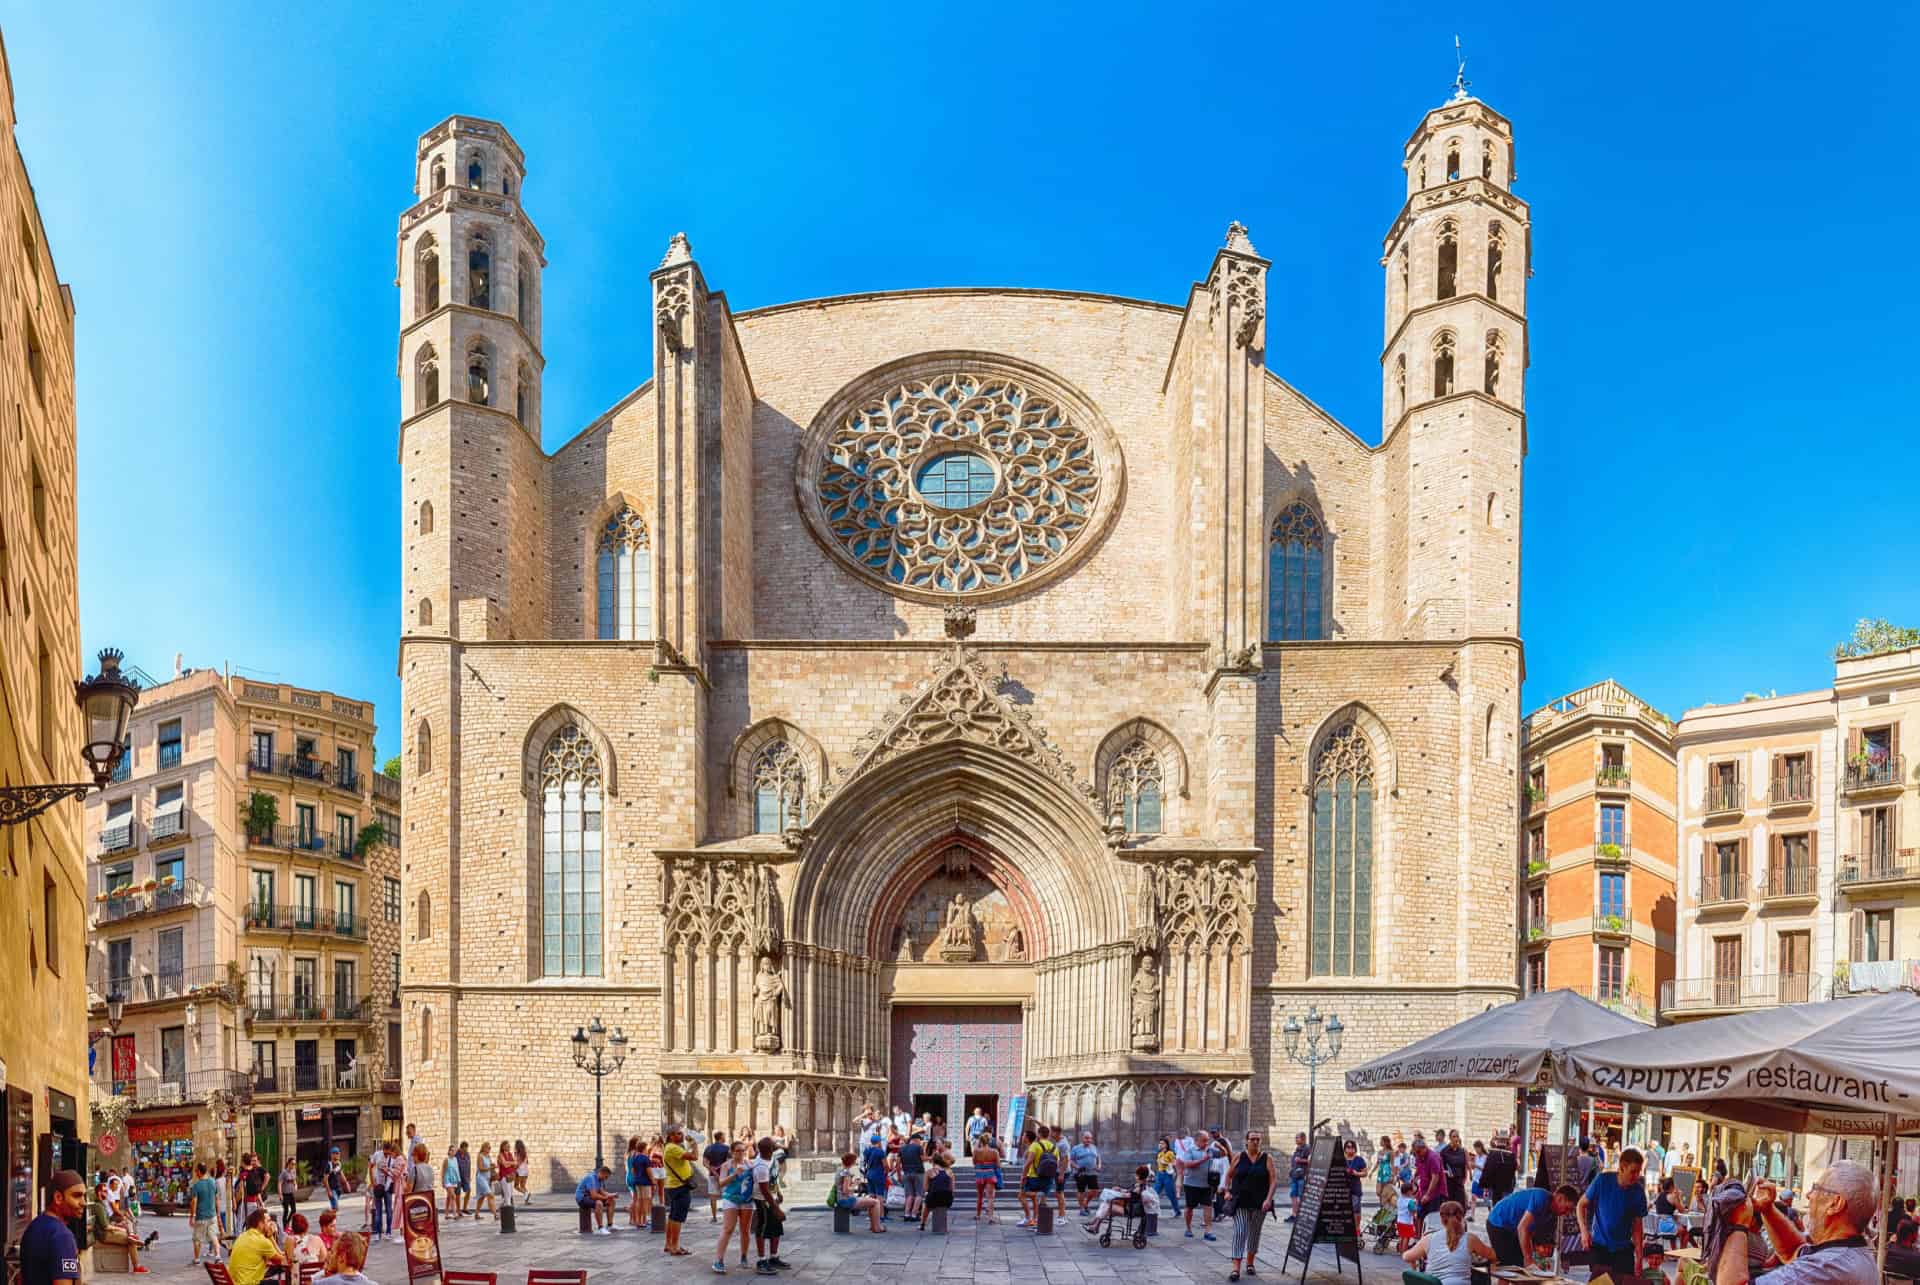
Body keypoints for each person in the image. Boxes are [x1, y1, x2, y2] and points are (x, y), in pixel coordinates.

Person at [1747, 1163, 1878, 1285]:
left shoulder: (1828, 1266)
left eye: (1816, 1188)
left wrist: (1736, 1225)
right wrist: (1768, 1209)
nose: (1809, 1195)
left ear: (1835, 1203)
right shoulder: (1853, 1254)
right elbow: (1792, 1252)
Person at [1578, 1145, 1648, 1278]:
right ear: (1622, 1167)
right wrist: (1584, 1231)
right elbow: (1581, 1205)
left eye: (1639, 1172)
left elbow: (1637, 1226)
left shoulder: (1638, 1191)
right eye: (1633, 1172)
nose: (1636, 1176)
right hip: (1600, 1246)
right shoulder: (1602, 1180)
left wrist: (1639, 1256)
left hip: (1623, 1249)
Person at [1226, 1130, 1279, 1282]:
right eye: (1253, 1139)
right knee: (1240, 1232)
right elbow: (1229, 1175)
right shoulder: (1239, 1156)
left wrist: (1269, 1199)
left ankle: (1250, 1263)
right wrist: (1226, 1191)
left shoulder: (1266, 1158)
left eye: (1258, 1139)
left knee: (1254, 1233)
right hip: (1240, 1201)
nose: (1256, 1142)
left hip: (1259, 1203)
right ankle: (1235, 1268)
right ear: (1246, 1141)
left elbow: (1273, 1180)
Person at [1403, 1200, 1495, 1285]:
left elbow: (1406, 1257)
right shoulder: (1470, 1239)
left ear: (1441, 1219)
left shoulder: (1429, 1238)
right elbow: (1492, 1255)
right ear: (1462, 1217)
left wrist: (1414, 1266)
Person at [1486, 1183, 1579, 1266]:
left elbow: (1528, 1234)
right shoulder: (1541, 1198)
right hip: (1497, 1222)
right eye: (1567, 1208)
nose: (1566, 1213)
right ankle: (1481, 1252)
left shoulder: (1550, 1213)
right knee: (1510, 1264)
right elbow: (1522, 1228)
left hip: (1510, 1227)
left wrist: (1532, 1256)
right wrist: (1528, 1258)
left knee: (1516, 1265)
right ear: (1559, 1198)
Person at [19, 1170, 86, 1285]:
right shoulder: (62, 1236)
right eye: (77, 1196)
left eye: (84, 1196)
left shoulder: (34, 1226)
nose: (83, 1202)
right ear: (58, 1197)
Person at [1701, 1181, 1760, 1285]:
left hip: (1719, 1277)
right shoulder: (1758, 1242)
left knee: (1683, 1265)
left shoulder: (1735, 1238)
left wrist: (1740, 1227)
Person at [752, 1136, 788, 1274]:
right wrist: (776, 1209)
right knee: (762, 1229)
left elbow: (773, 1178)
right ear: (770, 1150)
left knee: (776, 1229)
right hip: (762, 1200)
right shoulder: (760, 1166)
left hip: (771, 1198)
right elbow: (764, 1191)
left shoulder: (770, 1159)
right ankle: (761, 1261)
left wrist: (778, 1192)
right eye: (774, 1146)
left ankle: (773, 1257)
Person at [229, 1207, 290, 1285]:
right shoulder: (262, 1241)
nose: (271, 1224)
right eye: (268, 1221)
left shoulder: (243, 1235)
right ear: (260, 1224)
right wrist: (271, 1237)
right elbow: (282, 1261)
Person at [661, 1125, 695, 1257]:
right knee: (678, 1218)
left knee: (673, 1216)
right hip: (679, 1186)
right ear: (670, 1136)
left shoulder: (670, 1147)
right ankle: (674, 1246)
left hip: (674, 1185)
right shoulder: (673, 1148)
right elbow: (694, 1157)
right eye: (678, 1134)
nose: (680, 1136)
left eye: (681, 1133)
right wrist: (694, 1144)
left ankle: (669, 1244)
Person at [834, 1150, 884, 1233]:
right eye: (855, 1161)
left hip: (841, 1198)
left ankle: (873, 1226)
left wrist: (853, 1183)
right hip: (846, 1200)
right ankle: (877, 1227)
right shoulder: (846, 1173)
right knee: (876, 1202)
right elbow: (845, 1190)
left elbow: (842, 1187)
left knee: (871, 1202)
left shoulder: (840, 1170)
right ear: (852, 1162)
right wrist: (855, 1184)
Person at [1180, 1129, 1216, 1240]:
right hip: (1191, 1184)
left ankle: (1208, 1231)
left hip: (1207, 1184)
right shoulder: (1190, 1150)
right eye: (1204, 1140)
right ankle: (1188, 1228)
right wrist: (1203, 1159)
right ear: (1196, 1140)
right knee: (1189, 1207)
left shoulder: (1210, 1150)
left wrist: (1222, 1146)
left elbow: (1224, 1154)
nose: (1206, 1143)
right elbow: (1187, 1164)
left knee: (1208, 1207)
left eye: (1207, 1140)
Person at [189, 1160, 222, 1264]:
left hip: (201, 1217)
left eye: (196, 1171)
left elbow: (194, 1201)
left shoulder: (197, 1185)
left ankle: (197, 1259)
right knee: (214, 1237)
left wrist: (192, 1216)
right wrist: (218, 1214)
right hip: (212, 1216)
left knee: (197, 1238)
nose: (195, 1173)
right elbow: (217, 1199)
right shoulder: (213, 1182)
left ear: (199, 1171)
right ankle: (218, 1256)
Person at [1412, 1134, 1447, 1223]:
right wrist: (1413, 1179)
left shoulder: (1433, 1157)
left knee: (1432, 1218)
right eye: (1415, 1152)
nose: (1417, 1155)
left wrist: (1428, 1195)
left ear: (1425, 1148)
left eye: (1418, 1152)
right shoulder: (1419, 1156)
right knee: (1420, 1215)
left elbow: (1435, 1178)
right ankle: (1420, 1235)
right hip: (1424, 1190)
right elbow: (1418, 1170)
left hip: (1435, 1193)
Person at [575, 1165, 617, 1236]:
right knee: (599, 1203)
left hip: (589, 1197)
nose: (606, 1179)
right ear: (601, 1173)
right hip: (582, 1198)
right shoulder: (591, 1178)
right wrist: (606, 1198)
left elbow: (602, 1192)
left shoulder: (600, 1180)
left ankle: (610, 1225)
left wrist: (611, 1195)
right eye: (606, 1177)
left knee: (612, 1201)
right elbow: (594, 1196)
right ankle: (600, 1228)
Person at [920, 1151, 954, 1233]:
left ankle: (922, 1224)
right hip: (947, 1199)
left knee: (927, 1204)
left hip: (934, 1197)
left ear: (933, 1162)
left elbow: (925, 1188)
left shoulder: (929, 1172)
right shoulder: (949, 1171)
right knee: (941, 1196)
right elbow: (952, 1188)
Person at [1070, 1132, 1102, 1215]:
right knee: (1081, 1191)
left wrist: (1099, 1166)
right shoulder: (1076, 1148)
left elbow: (1098, 1157)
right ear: (1082, 1138)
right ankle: (1082, 1209)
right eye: (1086, 1138)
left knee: (1095, 1191)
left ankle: (1085, 1204)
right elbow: (1071, 1160)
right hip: (1081, 1173)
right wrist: (1077, 1167)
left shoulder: (1094, 1147)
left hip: (1092, 1172)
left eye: (1090, 1138)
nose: (1089, 1140)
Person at [898, 1130, 926, 1220]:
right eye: (919, 1140)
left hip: (906, 1173)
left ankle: (906, 1214)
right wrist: (931, 1156)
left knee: (909, 1195)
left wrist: (899, 1175)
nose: (920, 1142)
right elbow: (923, 1159)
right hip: (918, 1172)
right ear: (915, 1140)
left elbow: (898, 1164)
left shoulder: (902, 1148)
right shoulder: (918, 1148)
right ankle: (914, 1215)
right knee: (919, 1194)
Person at [625, 1135, 651, 1230]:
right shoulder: (635, 1154)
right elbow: (633, 1169)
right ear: (635, 1144)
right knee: (637, 1200)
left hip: (629, 1177)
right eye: (639, 1141)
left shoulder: (629, 1153)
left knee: (635, 1199)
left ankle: (632, 1219)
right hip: (634, 1177)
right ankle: (637, 1220)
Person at [1345, 1138, 1369, 1237]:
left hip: (1355, 1187)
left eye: (1352, 1147)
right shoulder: (1342, 1159)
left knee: (1356, 1210)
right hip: (1344, 1187)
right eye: (1348, 1147)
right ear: (1345, 1149)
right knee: (1345, 1209)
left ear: (1355, 1149)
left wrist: (1356, 1173)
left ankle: (1357, 1229)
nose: (1350, 1149)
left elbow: (1365, 1173)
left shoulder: (1359, 1159)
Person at [1286, 1131, 1311, 1221]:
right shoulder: (1297, 1148)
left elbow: (1310, 1161)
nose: (1295, 1139)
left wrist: (1300, 1160)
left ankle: (1302, 1216)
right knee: (1293, 1195)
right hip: (1294, 1176)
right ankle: (1294, 1215)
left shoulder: (1307, 1148)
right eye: (1296, 1137)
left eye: (1297, 1137)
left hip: (1302, 1176)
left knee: (1301, 1196)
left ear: (1303, 1139)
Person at [1375, 1136, 1398, 1214]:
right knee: (1378, 1192)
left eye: (1381, 1141)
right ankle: (1383, 1206)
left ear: (1385, 1142)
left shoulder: (1391, 1152)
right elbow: (1377, 1162)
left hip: (1387, 1172)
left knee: (1386, 1191)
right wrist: (1372, 1171)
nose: (1380, 1142)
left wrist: (1394, 1175)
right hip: (1380, 1172)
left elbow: (1394, 1164)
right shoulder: (1380, 1152)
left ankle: (1384, 1209)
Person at [473, 1141, 496, 1220]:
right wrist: (490, 1168)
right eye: (488, 1147)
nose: (489, 1149)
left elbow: (490, 1166)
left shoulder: (488, 1156)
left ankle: (476, 1214)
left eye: (490, 1148)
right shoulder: (480, 1156)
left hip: (487, 1178)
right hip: (481, 1178)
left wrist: (493, 1167)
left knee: (481, 1197)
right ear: (484, 1148)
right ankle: (495, 1214)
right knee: (490, 1195)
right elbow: (481, 1168)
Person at [1396, 1181, 1420, 1252]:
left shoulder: (1399, 1199)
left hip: (1399, 1221)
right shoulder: (1410, 1201)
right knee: (1407, 1237)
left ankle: (1400, 1250)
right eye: (1412, 1190)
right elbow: (1413, 1210)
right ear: (1409, 1192)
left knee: (1401, 1236)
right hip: (1407, 1222)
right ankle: (1404, 1251)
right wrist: (1415, 1212)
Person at [494, 1138, 518, 1210]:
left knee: (509, 1194)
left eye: (509, 1146)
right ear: (503, 1147)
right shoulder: (500, 1155)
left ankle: (500, 1209)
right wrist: (511, 1163)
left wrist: (509, 1163)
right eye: (507, 1146)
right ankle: (510, 1212)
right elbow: (505, 1165)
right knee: (507, 1194)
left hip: (510, 1176)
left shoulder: (510, 1154)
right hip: (504, 1176)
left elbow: (515, 1163)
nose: (509, 1147)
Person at [441, 1145, 462, 1220]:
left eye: (455, 1151)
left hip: (454, 1180)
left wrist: (458, 1179)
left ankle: (446, 1214)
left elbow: (456, 1170)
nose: (454, 1152)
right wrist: (442, 1181)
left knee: (449, 1197)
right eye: (452, 1150)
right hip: (447, 1180)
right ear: (449, 1151)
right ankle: (454, 1214)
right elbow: (443, 1171)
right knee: (453, 1196)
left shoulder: (455, 1159)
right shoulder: (446, 1160)